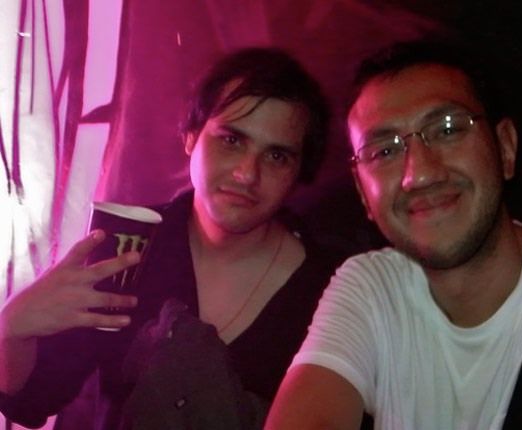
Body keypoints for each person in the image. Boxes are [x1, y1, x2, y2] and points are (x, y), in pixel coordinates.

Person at [265, 37, 522, 429]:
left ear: (505, 147)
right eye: (384, 151)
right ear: (363, 192)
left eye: (447, 130)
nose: (420, 174)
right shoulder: (373, 286)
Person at [0, 47, 348, 429]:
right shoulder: (128, 247)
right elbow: (32, 399)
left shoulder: (333, 290)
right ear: (191, 137)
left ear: (299, 173)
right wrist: (12, 329)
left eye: (277, 156)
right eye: (231, 140)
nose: (248, 174)